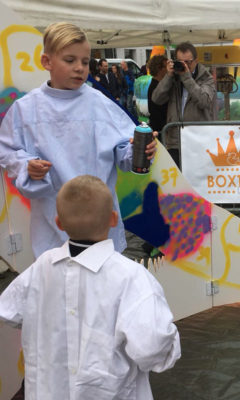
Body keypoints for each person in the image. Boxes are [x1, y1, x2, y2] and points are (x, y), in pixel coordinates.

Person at [0, 175, 181, 399]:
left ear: (58, 223)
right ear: (114, 219)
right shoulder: (132, 278)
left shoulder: (41, 268)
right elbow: (153, 349)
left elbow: (9, 311)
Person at [0, 22, 156, 258]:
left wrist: (137, 151)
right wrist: (26, 165)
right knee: (59, 283)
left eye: (85, 62)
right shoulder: (26, 109)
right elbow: (7, 151)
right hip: (51, 220)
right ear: (47, 62)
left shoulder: (100, 104)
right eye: (70, 60)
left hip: (99, 219)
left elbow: (123, 152)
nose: (79, 68)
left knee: (101, 285)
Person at [152, 41, 216, 167]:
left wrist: (187, 78)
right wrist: (168, 77)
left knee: (197, 180)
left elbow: (204, 101)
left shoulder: (206, 78)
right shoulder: (172, 78)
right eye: (181, 62)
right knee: (178, 184)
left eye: (188, 62)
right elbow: (156, 99)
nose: (185, 65)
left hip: (198, 141)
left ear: (196, 61)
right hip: (175, 141)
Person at [147, 55, 168, 132]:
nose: (168, 70)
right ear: (159, 68)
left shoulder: (156, 84)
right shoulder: (156, 87)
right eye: (166, 67)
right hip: (160, 129)